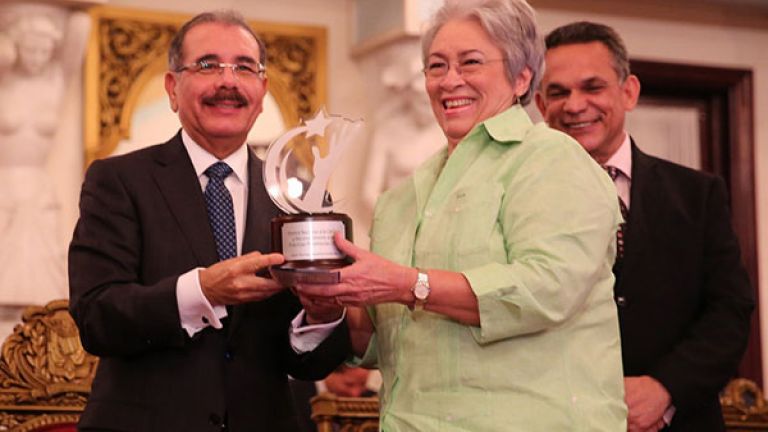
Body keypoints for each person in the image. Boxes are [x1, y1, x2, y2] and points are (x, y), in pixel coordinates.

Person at [296, 1, 627, 430]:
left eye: (470, 62)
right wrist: (330, 303)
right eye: (436, 66)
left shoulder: (553, 161)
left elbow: (545, 288)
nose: (449, 80)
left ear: (522, 76)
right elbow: (383, 340)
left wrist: (408, 283)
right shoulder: (401, 198)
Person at [68, 10, 350, 432]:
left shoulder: (300, 199)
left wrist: (321, 315)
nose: (228, 81)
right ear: (172, 88)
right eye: (208, 65)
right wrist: (201, 290)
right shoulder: (119, 181)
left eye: (244, 67)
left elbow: (314, 364)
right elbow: (96, 318)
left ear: (262, 89)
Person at [535, 21, 755, 431]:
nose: (575, 104)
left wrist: (664, 389)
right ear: (539, 104)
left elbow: (729, 313)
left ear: (629, 91)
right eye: (558, 92)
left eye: (592, 87)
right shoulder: (517, 200)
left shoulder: (698, 194)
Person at [0, 8, 88, 306]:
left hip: (39, 186)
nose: (37, 57)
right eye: (29, 49)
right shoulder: (5, 81)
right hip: (5, 182)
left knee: (47, 286)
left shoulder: (55, 81)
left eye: (43, 50)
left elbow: (81, 24)